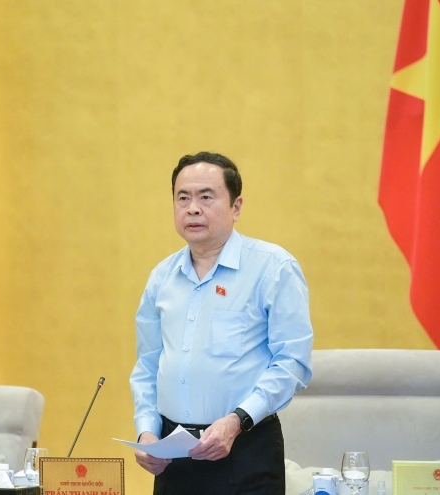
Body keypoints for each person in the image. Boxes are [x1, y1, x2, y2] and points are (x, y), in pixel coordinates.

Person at [129, 151, 313, 495]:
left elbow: (293, 363)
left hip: (246, 450)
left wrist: (236, 421)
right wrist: (147, 432)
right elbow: (148, 364)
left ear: (236, 207)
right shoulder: (161, 277)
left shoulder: (273, 268)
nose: (193, 208)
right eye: (183, 198)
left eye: (206, 197)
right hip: (174, 457)